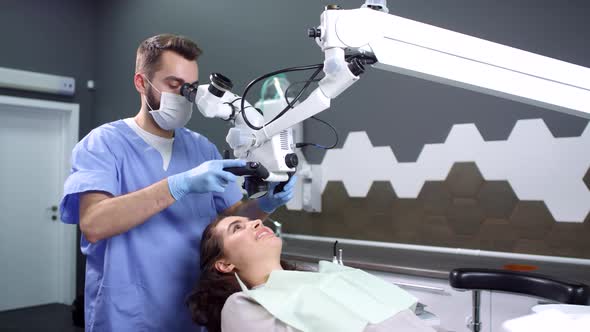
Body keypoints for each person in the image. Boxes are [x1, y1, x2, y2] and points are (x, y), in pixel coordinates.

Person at [59, 34, 296, 332]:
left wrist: (267, 203)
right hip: (127, 313)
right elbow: (94, 224)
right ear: (141, 83)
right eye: (173, 85)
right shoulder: (103, 144)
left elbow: (228, 221)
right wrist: (177, 185)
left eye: (190, 88)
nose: (183, 95)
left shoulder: (202, 149)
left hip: (190, 311)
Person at [187, 215, 437, 332]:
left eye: (253, 220)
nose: (257, 222)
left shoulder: (325, 276)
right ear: (225, 264)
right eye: (236, 228)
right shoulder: (243, 305)